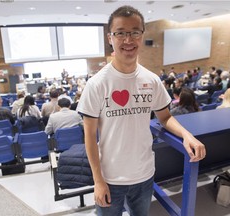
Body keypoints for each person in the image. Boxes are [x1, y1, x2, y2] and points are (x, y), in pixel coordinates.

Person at [76, 6, 206, 216]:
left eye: (134, 32)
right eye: (120, 33)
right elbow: (89, 136)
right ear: (110, 38)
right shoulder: (97, 84)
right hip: (110, 178)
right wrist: (98, 180)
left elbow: (165, 117)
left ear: (142, 36)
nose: (128, 40)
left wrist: (186, 135)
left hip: (144, 175)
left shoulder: (152, 80)